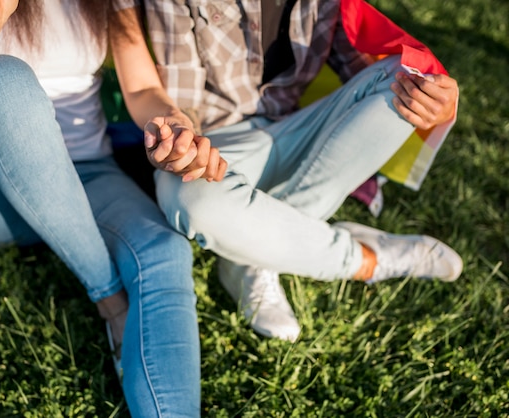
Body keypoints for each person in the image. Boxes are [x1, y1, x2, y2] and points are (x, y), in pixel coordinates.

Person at [0, 0, 226, 416]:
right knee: (2, 77)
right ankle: (111, 299)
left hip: (89, 170)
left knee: (164, 250)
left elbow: (142, 91)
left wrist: (176, 127)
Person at [142, 0, 464, 342]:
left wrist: (436, 98)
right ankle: (366, 259)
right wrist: (183, 142)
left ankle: (253, 255)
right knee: (190, 194)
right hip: (218, 139)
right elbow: (181, 103)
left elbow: (361, 71)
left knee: (409, 77)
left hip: (294, 126)